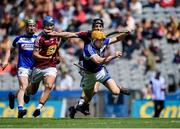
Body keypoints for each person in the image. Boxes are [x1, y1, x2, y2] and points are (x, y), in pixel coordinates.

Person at [68, 30, 130, 118]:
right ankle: (74, 108)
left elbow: (117, 38)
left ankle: (118, 88)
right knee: (87, 98)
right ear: (94, 40)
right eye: (99, 40)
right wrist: (114, 56)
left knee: (116, 92)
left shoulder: (102, 41)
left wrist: (126, 33)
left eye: (102, 40)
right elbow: (98, 61)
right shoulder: (88, 49)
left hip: (100, 72)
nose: (102, 42)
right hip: (90, 75)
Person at [29, 16, 76, 117]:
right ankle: (24, 93)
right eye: (47, 25)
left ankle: (39, 108)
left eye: (51, 25)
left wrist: (57, 56)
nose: (49, 27)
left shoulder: (56, 35)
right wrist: (46, 58)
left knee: (49, 86)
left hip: (51, 66)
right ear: (44, 26)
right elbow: (35, 54)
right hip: (39, 66)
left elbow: (57, 47)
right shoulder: (39, 38)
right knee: (32, 91)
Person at [2, 19, 37, 118]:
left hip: (34, 68)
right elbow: (10, 49)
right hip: (22, 66)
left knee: (28, 89)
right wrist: (5, 61)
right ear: (26, 28)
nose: (32, 27)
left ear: (36, 27)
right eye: (30, 26)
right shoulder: (19, 39)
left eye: (33, 26)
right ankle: (20, 110)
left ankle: (13, 96)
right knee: (23, 86)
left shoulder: (38, 39)